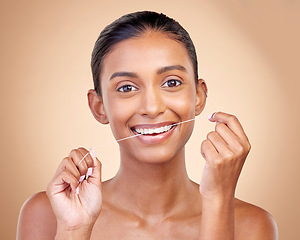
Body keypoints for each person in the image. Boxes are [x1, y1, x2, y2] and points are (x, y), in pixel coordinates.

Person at [17, 11, 278, 240]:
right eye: (127, 88)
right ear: (99, 107)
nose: (152, 108)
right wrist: (73, 230)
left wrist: (218, 202)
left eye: (172, 82)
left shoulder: (252, 226)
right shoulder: (47, 214)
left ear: (198, 97)